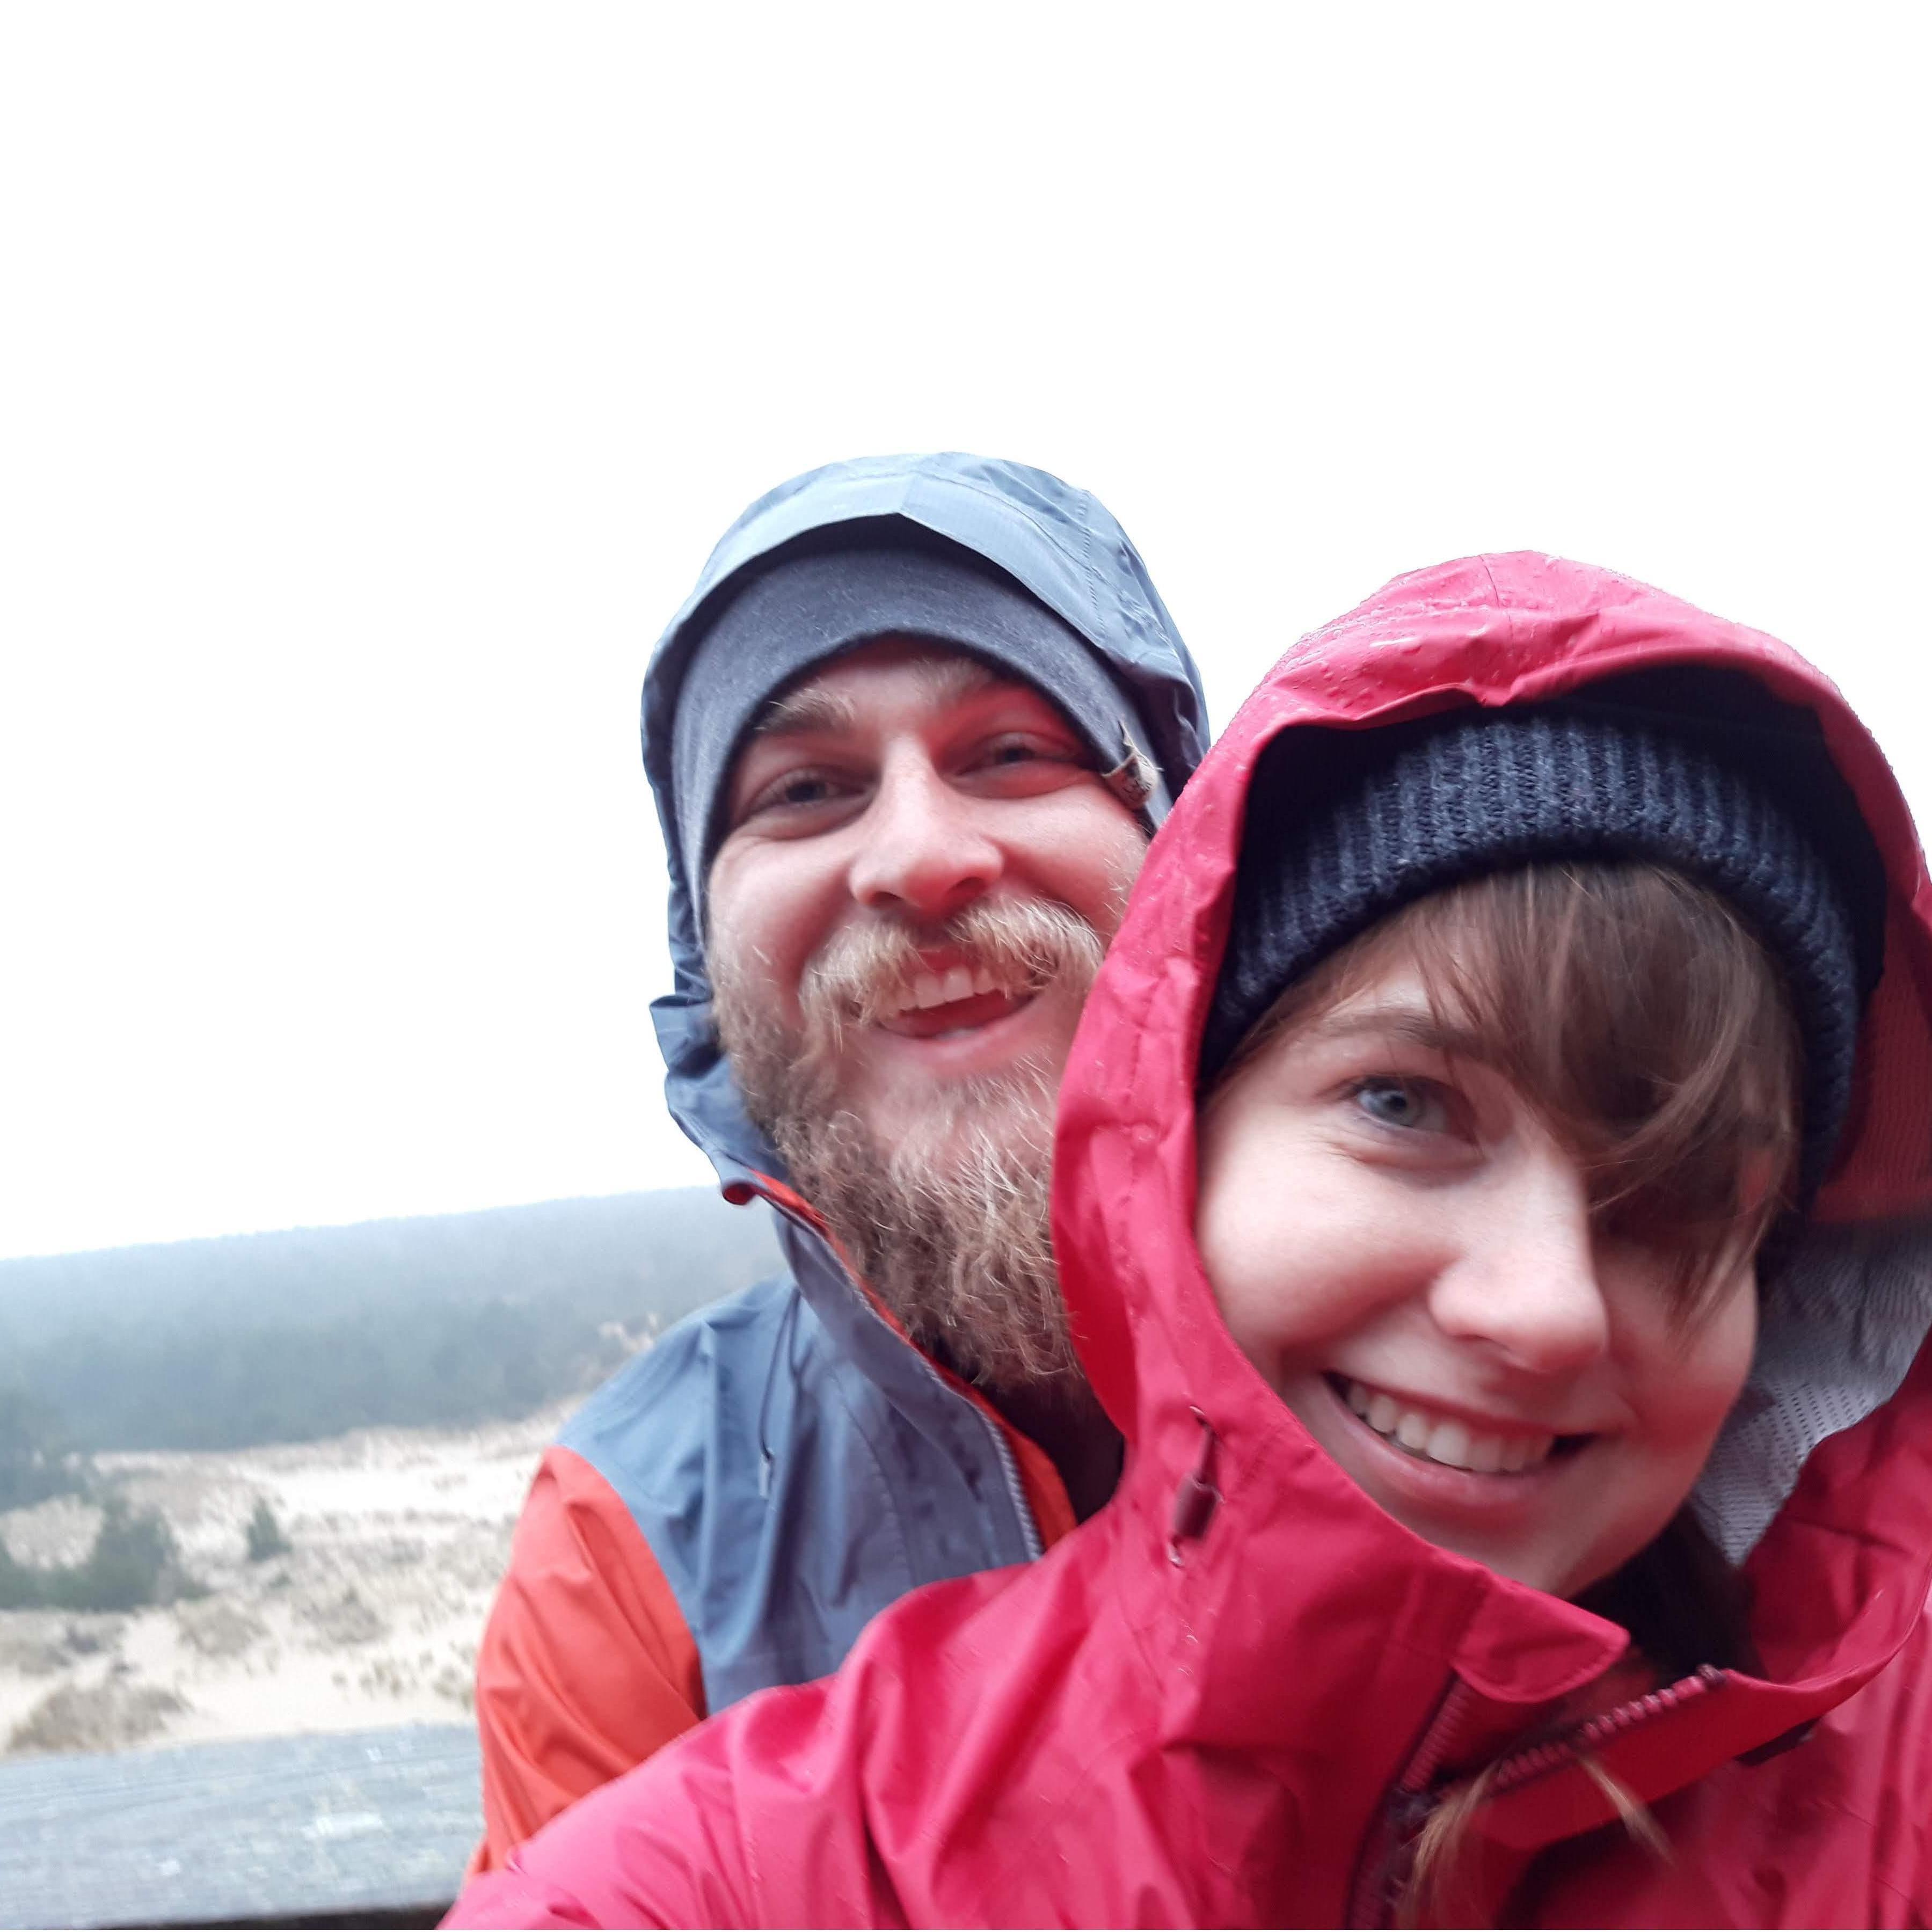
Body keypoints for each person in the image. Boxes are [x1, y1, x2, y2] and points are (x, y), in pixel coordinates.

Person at [449, 552, 1932, 1926]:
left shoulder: (1874, 1742)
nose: (1542, 1307)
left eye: (1013, 751)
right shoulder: (689, 1695)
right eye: (1403, 1105)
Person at [468, 453, 1210, 1868]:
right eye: (805, 788)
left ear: (1182, 840)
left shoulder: (1480, 1350)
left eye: (1013, 752)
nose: (920, 857)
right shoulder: (635, 1542)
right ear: (707, 953)